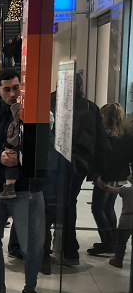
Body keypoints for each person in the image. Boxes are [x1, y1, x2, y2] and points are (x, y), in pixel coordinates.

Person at [0, 68, 49, 293]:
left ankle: (30, 291)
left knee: (31, 246)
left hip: (27, 189)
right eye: (7, 89)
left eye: (16, 88)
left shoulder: (34, 115)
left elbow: (45, 150)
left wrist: (21, 158)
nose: (13, 93)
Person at [49, 75, 109, 266]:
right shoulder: (91, 107)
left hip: (53, 161)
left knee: (49, 203)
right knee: (69, 203)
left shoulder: (48, 101)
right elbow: (101, 142)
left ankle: (49, 249)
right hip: (80, 164)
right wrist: (97, 170)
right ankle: (69, 250)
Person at [88, 103, 125, 256]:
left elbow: (105, 159)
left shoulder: (106, 136)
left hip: (106, 176)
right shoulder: (122, 135)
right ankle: (112, 241)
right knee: (109, 208)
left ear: (107, 117)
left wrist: (101, 177)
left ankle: (107, 242)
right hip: (119, 176)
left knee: (98, 208)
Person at [109, 179, 133, 269]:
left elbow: (108, 188)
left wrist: (100, 180)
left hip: (126, 219)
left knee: (121, 241)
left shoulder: (126, 190)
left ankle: (118, 259)